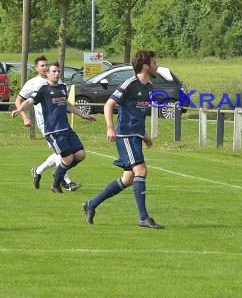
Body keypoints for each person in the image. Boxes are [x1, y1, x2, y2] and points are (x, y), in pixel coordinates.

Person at [82, 50, 165, 229]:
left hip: (135, 135)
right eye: (154, 62)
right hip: (125, 135)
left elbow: (137, 113)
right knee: (141, 171)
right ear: (145, 66)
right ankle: (143, 218)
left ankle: (91, 204)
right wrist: (110, 128)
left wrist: (144, 135)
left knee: (128, 179)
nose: (156, 66)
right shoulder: (130, 84)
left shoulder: (148, 87)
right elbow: (109, 104)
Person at [12, 62, 96, 193]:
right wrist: (20, 110)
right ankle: (55, 185)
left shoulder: (62, 87)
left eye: (58, 71)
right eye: (54, 72)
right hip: (53, 131)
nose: (57, 74)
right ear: (47, 73)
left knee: (81, 155)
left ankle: (59, 172)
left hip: (66, 129)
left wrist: (83, 115)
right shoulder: (43, 89)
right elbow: (29, 101)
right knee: (67, 159)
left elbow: (67, 105)